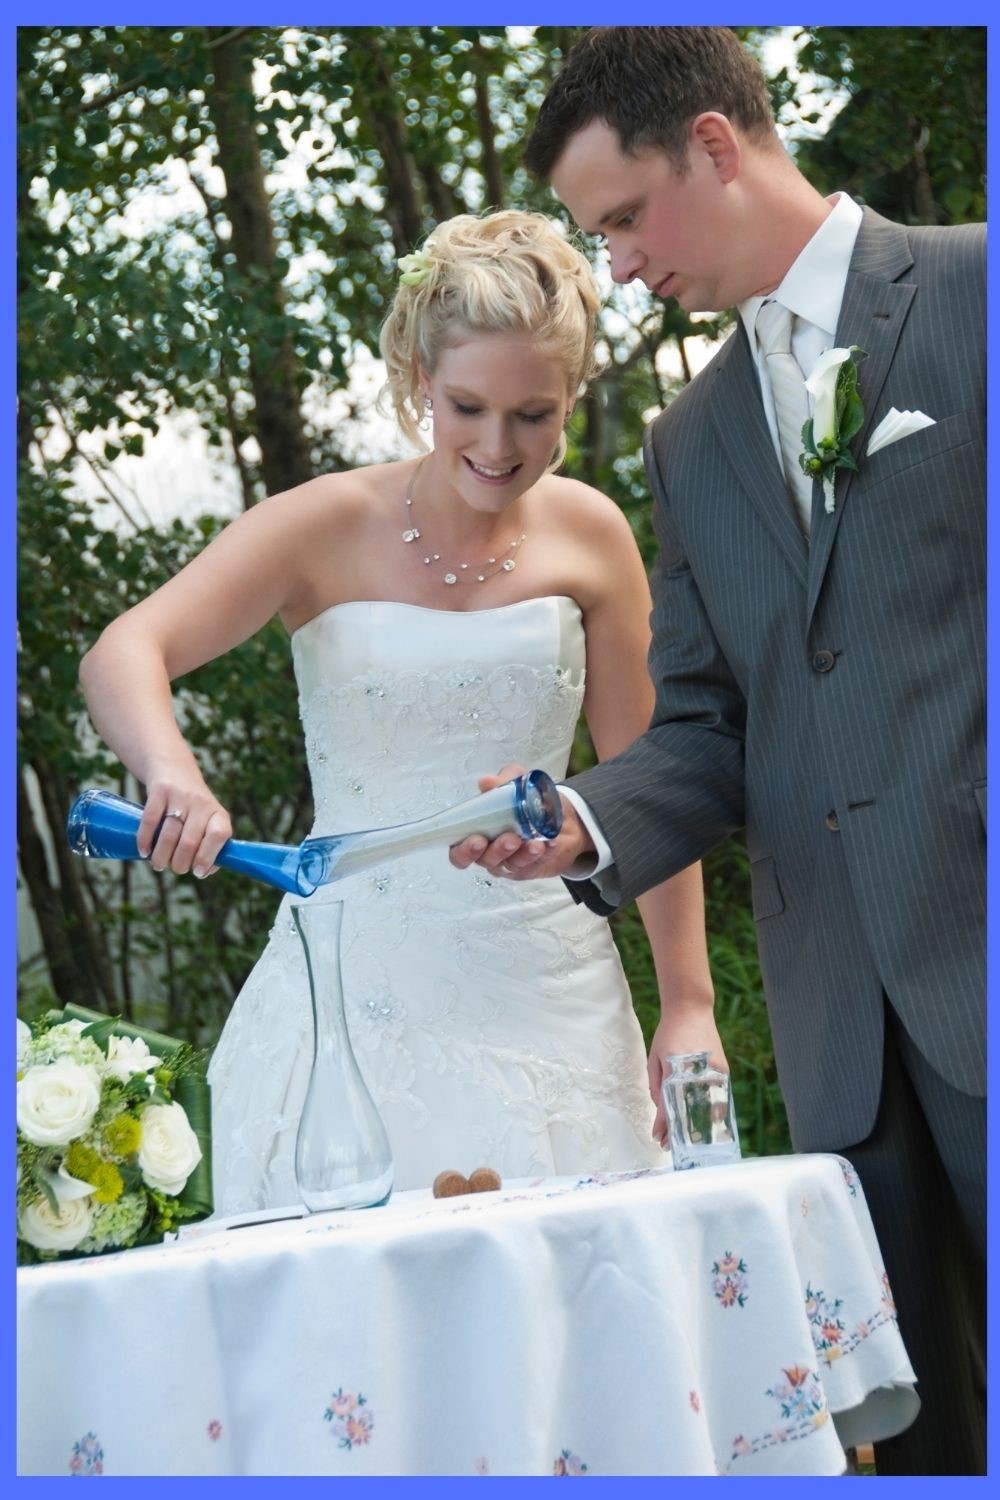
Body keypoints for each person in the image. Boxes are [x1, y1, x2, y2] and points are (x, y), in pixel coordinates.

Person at [452, 28, 985, 1477]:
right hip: (840, 1047)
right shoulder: (690, 441)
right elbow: (704, 727)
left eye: (623, 219)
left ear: (711, 144)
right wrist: (589, 820)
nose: (616, 267)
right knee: (919, 1440)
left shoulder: (980, 292)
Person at [78, 208, 721, 1206]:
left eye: (533, 414)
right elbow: (126, 650)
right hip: (347, 994)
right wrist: (173, 772)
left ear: (570, 399)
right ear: (419, 378)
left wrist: (688, 1004)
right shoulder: (322, 526)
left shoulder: (592, 535)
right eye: (466, 406)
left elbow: (650, 779)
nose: (498, 446)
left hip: (550, 1000)